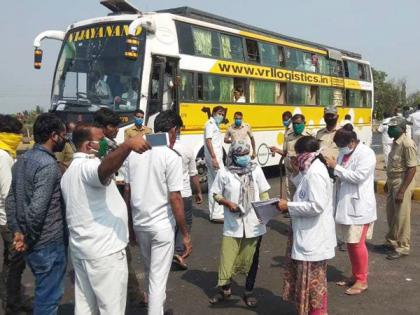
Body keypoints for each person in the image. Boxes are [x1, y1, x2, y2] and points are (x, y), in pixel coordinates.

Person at [61, 123, 150, 315]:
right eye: (101, 140)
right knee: (111, 308)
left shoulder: (70, 171)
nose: (105, 144)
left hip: (83, 251)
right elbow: (102, 171)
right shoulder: (88, 166)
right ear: (87, 145)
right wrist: (127, 146)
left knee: (86, 307)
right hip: (105, 253)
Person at [125, 110, 192, 315]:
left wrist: (130, 225)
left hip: (140, 223)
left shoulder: (133, 154)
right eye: (177, 133)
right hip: (161, 226)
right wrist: (185, 234)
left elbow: (127, 192)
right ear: (172, 130)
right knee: (157, 281)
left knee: (150, 273)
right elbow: (175, 198)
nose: (176, 138)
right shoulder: (170, 156)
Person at [6, 113, 68, 315]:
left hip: (33, 242)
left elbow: (11, 201)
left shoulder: (22, 160)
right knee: (48, 301)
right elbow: (36, 210)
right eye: (62, 134)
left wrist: (18, 231)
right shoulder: (48, 166)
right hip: (47, 243)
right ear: (54, 136)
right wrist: (27, 236)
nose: (64, 139)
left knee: (45, 295)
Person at [277, 136, 336, 315]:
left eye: (297, 154)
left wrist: (289, 206)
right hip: (308, 234)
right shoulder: (311, 168)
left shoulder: (315, 172)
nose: (296, 158)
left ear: (305, 153)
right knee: (314, 283)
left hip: (313, 238)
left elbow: (316, 205)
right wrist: (296, 173)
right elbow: (304, 190)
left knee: (312, 285)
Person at [209, 141, 270, 308]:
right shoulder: (224, 172)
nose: (244, 158)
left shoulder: (256, 169)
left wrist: (265, 213)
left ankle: (248, 291)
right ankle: (225, 290)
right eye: (240, 155)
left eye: (246, 154)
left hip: (254, 223)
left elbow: (264, 192)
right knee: (228, 257)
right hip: (233, 223)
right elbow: (215, 193)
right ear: (233, 156)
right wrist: (227, 202)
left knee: (252, 259)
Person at [325, 124, 377, 295]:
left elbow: (358, 177)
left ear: (353, 141)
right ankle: (355, 275)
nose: (340, 149)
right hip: (346, 205)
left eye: (342, 145)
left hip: (360, 206)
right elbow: (339, 174)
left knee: (357, 244)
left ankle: (362, 280)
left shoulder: (367, 154)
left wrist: (336, 167)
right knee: (350, 243)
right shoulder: (344, 152)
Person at [0, 115, 32, 314]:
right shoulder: (3, 157)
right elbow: (8, 192)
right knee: (15, 264)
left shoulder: (6, 153)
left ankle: (11, 299)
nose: (20, 137)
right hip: (8, 219)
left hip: (4, 217)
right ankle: (12, 304)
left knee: (10, 261)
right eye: (18, 133)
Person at [381, 116, 417, 260]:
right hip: (393, 181)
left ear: (401, 129)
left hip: (402, 182)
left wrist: (402, 190)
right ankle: (392, 241)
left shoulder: (407, 144)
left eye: (392, 127)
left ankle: (403, 247)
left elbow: (412, 168)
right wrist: (387, 182)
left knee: (401, 216)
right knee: (391, 213)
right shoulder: (396, 143)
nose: (389, 129)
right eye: (389, 127)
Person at [172, 136, 203, 270]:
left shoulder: (155, 150)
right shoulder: (186, 148)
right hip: (183, 193)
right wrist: (199, 191)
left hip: (165, 194)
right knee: (185, 222)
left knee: (171, 223)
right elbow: (193, 173)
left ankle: (167, 252)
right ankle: (179, 253)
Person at [270, 114, 311, 201]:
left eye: (298, 123)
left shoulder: (309, 136)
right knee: (291, 194)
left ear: (304, 123)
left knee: (304, 194)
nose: (296, 126)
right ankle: (291, 211)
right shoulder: (288, 136)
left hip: (304, 172)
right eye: (294, 123)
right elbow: (285, 153)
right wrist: (277, 150)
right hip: (291, 172)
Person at [204, 106, 226, 223]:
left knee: (213, 185)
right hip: (215, 160)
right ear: (213, 113)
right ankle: (217, 213)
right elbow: (208, 140)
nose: (221, 116)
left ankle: (215, 214)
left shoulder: (214, 124)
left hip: (216, 159)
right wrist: (213, 158)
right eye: (219, 113)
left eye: (222, 114)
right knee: (219, 184)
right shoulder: (210, 123)